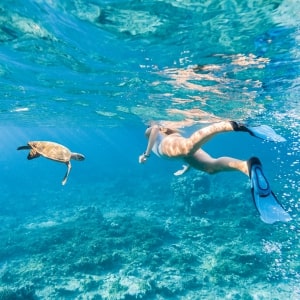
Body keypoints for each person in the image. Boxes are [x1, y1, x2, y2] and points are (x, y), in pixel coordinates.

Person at [139, 120, 291, 224]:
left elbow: (153, 129)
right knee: (210, 168)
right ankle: (246, 167)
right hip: (176, 150)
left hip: (169, 146)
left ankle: (231, 125)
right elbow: (180, 152)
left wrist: (146, 154)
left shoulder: (150, 130)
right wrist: (187, 167)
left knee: (187, 146)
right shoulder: (169, 133)